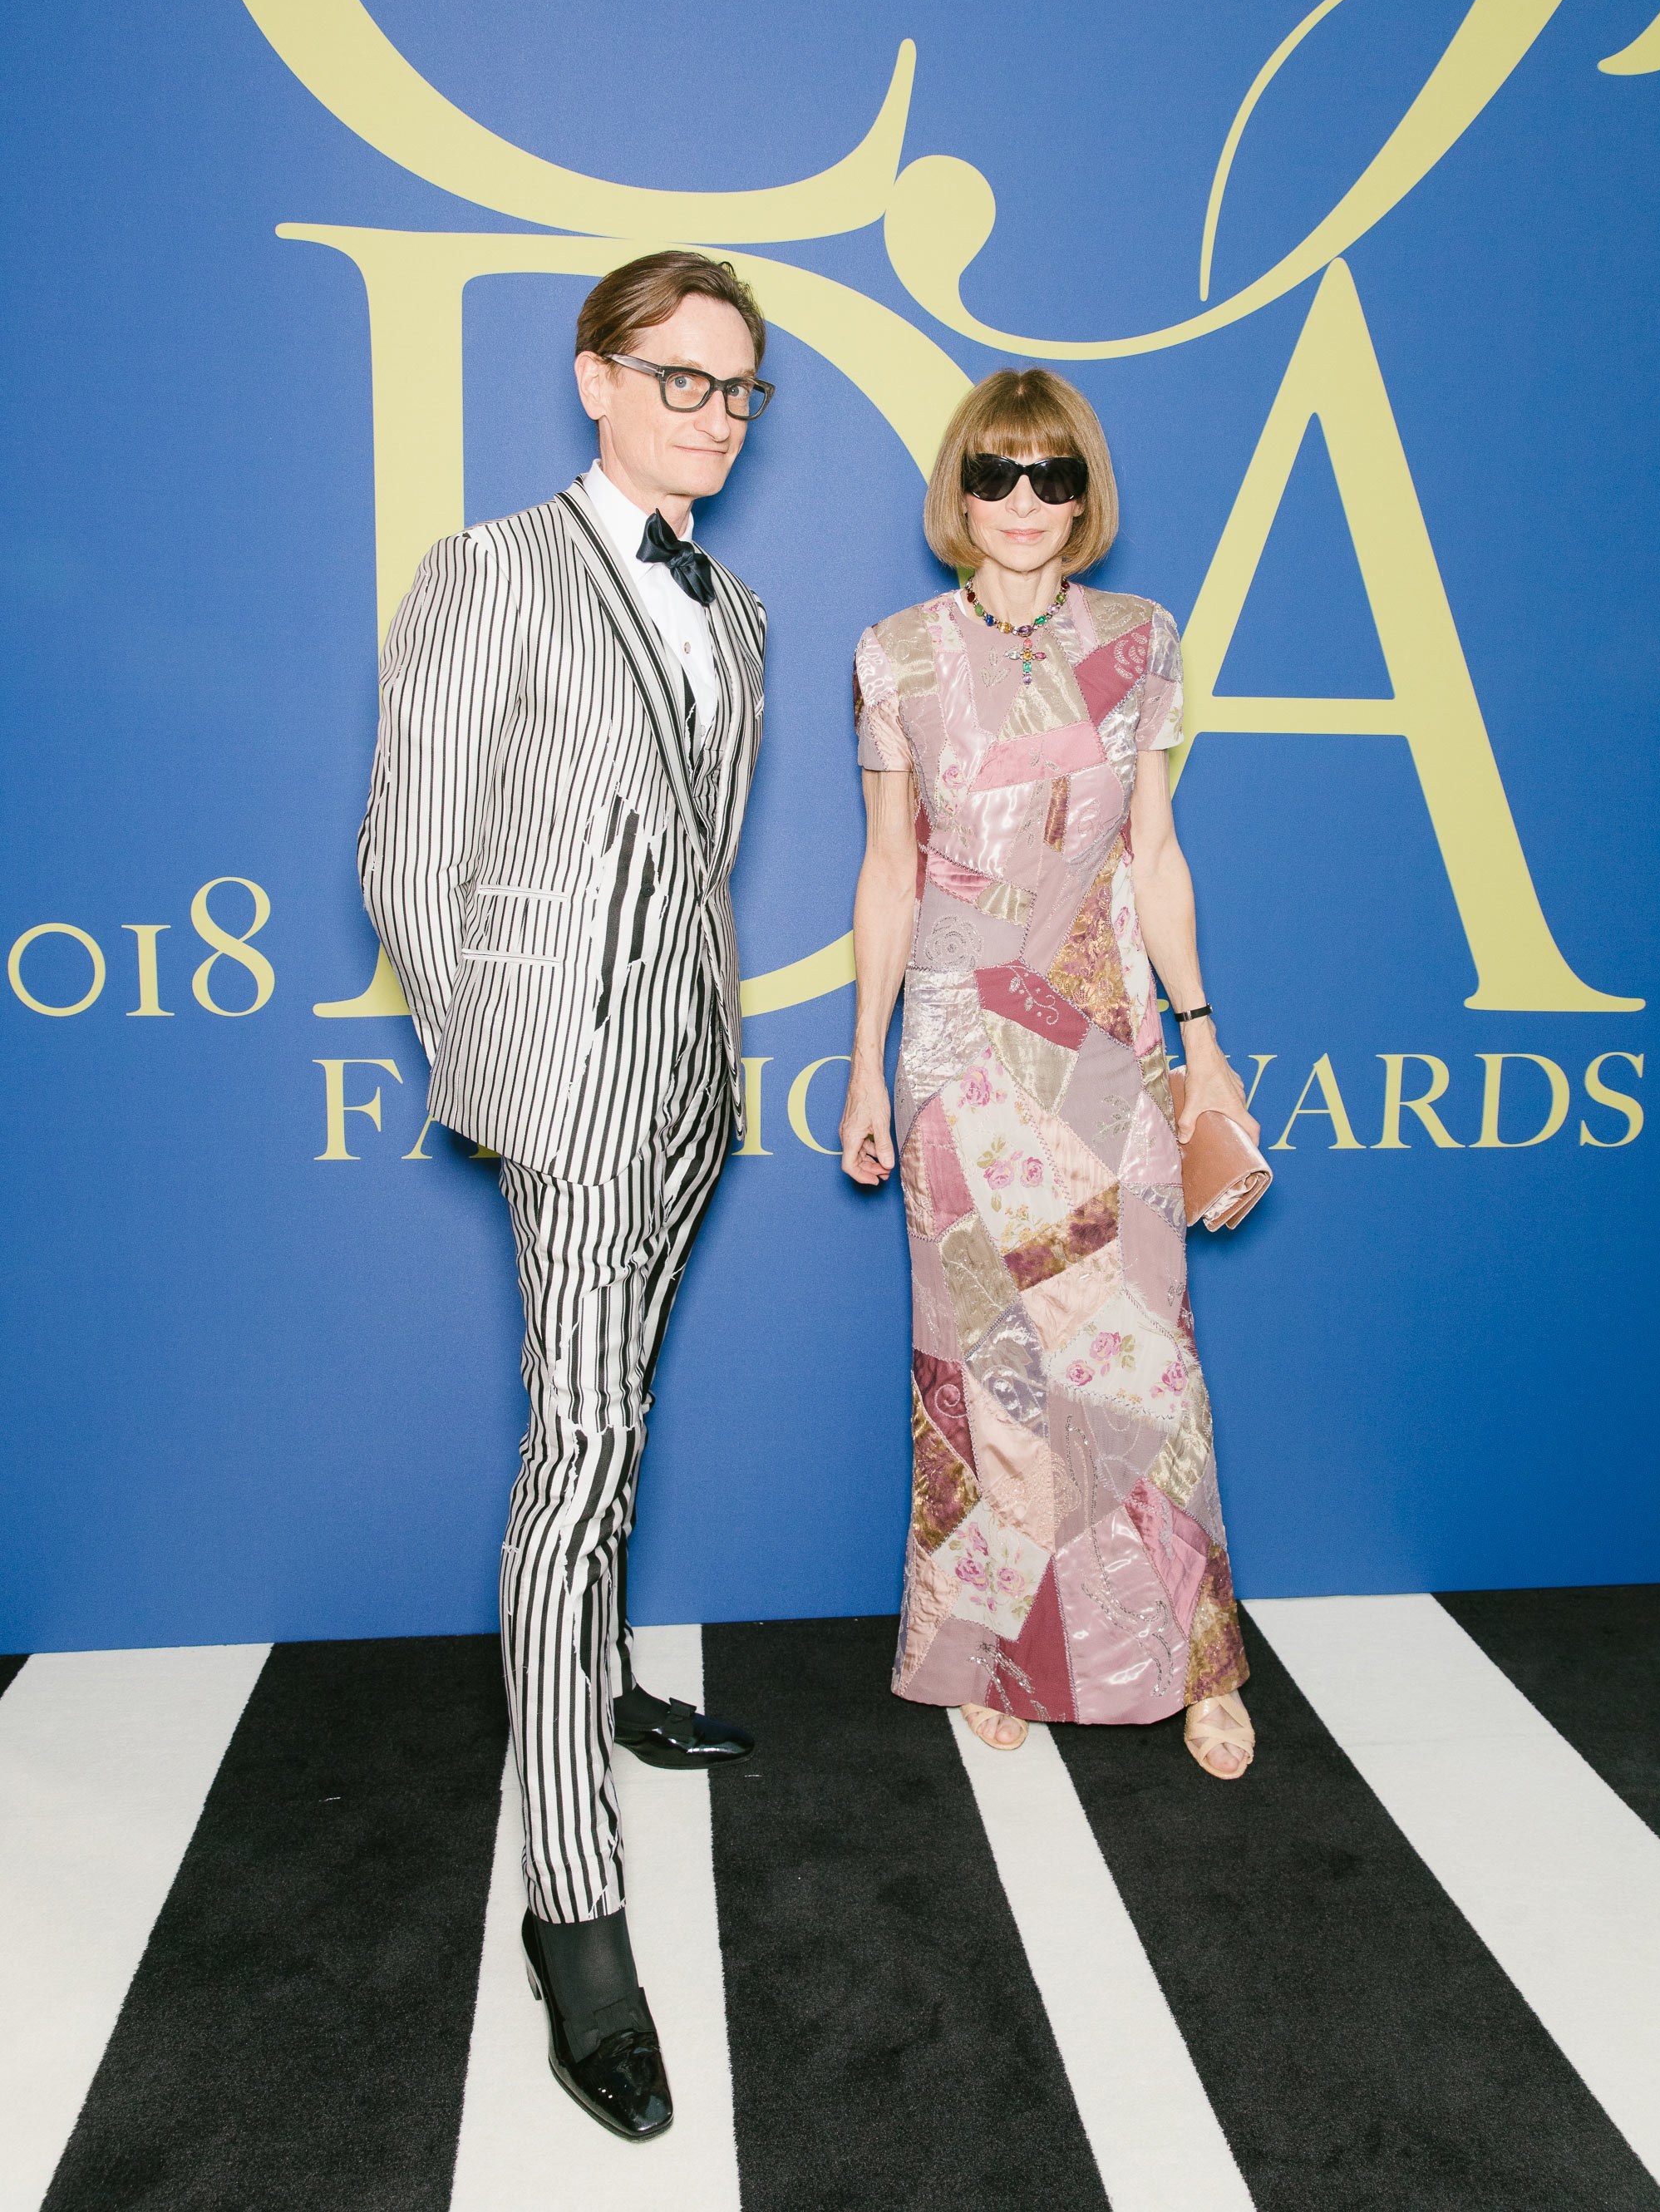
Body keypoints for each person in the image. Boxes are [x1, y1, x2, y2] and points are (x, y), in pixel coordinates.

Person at [359, 251, 772, 2140]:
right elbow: (408, 851)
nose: (713, 416)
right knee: (581, 1452)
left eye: (737, 390)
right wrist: (518, 1070)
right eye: (680, 378)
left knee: (618, 1421)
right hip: (572, 1088)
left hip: (691, 1082)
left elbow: (701, 861)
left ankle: (599, 1679)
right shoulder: (492, 570)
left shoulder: (735, 612)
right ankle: (573, 1911)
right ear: (596, 378)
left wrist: (680, 1053)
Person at [840, 367, 1257, 1778]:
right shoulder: (896, 654)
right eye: (998, 475)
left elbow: (1157, 852)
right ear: (960, 493)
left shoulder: (1139, 640)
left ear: (1085, 497)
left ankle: (1193, 1662)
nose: (1024, 502)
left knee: (1145, 1360)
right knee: (989, 1368)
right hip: (960, 1052)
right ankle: (996, 1649)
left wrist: (1204, 1045)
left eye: (1053, 476)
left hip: (1104, 1045)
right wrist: (864, 1069)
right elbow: (888, 877)